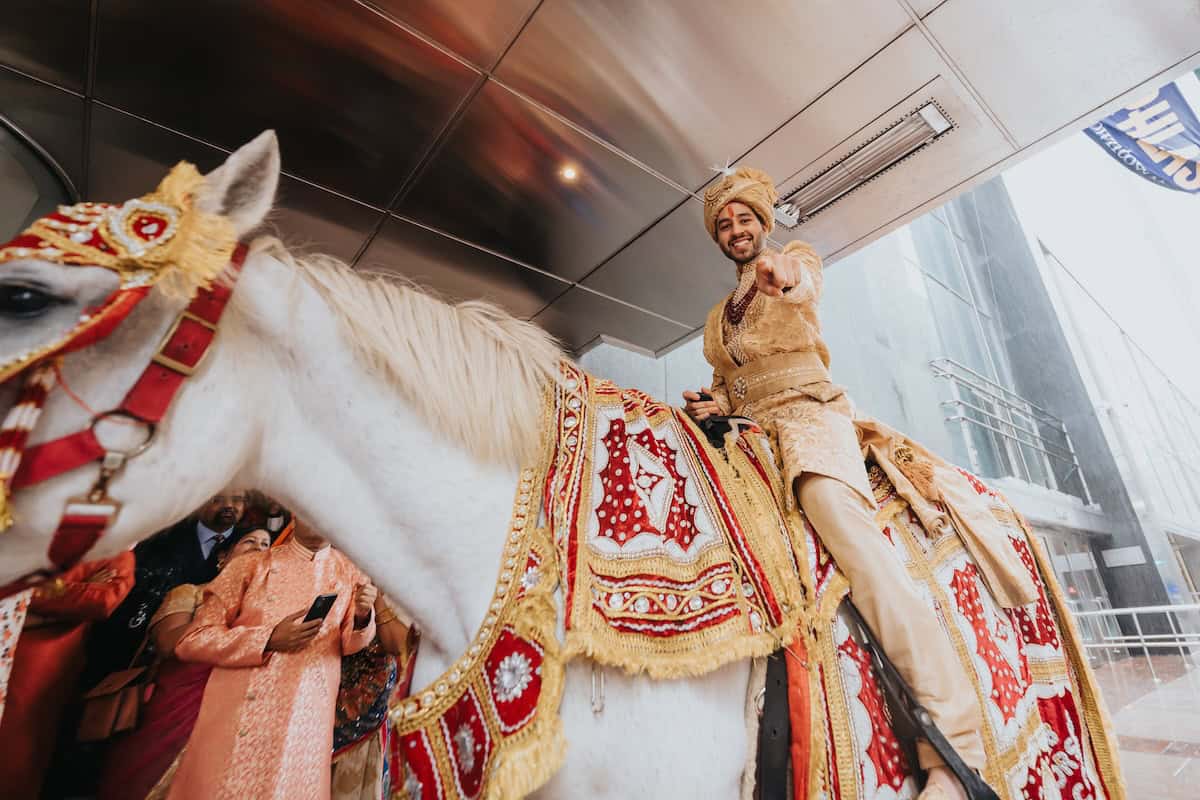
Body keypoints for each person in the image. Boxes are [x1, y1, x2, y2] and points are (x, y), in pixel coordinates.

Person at [682, 167, 989, 800]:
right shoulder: (717, 317)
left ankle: (956, 752)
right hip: (749, 432)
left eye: (745, 219)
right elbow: (729, 378)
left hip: (807, 419)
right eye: (725, 225)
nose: (736, 230)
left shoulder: (792, 260)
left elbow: (803, 284)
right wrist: (713, 403)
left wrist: (784, 276)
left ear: (763, 225)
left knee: (845, 529)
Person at [165, 519, 377, 800]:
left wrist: (364, 615)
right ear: (294, 513)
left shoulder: (350, 572)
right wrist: (268, 639)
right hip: (241, 710)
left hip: (307, 719)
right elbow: (191, 641)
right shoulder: (251, 566)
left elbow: (349, 643)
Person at [94, 528, 272, 800]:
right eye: (249, 541)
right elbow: (169, 644)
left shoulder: (264, 613)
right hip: (172, 710)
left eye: (266, 544)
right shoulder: (190, 593)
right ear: (222, 557)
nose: (259, 548)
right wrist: (232, 627)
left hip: (229, 718)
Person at [0, 551, 135, 797]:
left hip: (40, 662)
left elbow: (102, 601)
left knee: (15, 745)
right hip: (15, 642)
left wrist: (24, 596)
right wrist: (69, 593)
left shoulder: (119, 551)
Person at [86, 490, 248, 685]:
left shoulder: (248, 543)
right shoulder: (164, 532)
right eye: (217, 499)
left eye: (237, 499)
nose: (229, 505)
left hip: (183, 659)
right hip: (127, 632)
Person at [330, 595, 419, 800]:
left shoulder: (389, 580)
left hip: (365, 716)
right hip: (313, 694)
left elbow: (399, 644)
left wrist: (376, 595)